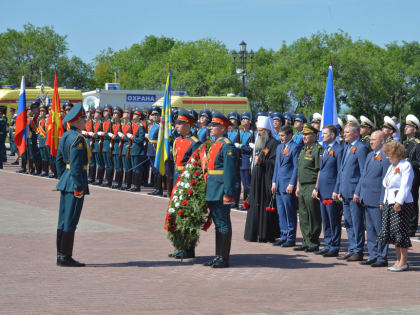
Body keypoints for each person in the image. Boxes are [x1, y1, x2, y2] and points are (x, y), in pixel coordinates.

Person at [55, 102, 89, 267]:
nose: (85, 121)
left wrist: (63, 179)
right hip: (75, 182)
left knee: (63, 219)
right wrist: (77, 186)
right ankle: (65, 257)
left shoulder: (65, 136)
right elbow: (76, 166)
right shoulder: (78, 139)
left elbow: (59, 160)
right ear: (76, 120)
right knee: (70, 220)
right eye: (83, 118)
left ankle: (60, 254)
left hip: (66, 181)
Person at [203, 111, 237, 268]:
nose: (211, 128)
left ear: (223, 128)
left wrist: (228, 194)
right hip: (213, 188)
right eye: (211, 125)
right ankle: (218, 256)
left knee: (223, 224)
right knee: (218, 223)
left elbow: (229, 172)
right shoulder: (216, 144)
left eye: (214, 126)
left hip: (221, 189)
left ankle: (224, 258)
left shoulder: (227, 145)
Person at [354, 131, 390, 267]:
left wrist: (382, 200)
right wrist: (358, 193)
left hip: (377, 200)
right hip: (366, 199)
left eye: (374, 139)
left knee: (380, 230)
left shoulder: (386, 157)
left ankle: (382, 257)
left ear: (382, 141)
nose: (371, 141)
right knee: (369, 230)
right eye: (371, 139)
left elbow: (385, 181)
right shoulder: (370, 155)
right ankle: (373, 255)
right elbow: (363, 176)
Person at [169, 109, 201, 259]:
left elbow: (196, 165)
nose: (176, 126)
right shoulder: (177, 141)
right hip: (177, 178)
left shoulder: (195, 143)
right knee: (176, 214)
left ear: (188, 125)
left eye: (180, 123)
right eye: (176, 123)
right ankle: (179, 246)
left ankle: (188, 248)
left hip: (187, 181)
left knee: (187, 215)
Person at [334, 122, 368, 261]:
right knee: (348, 222)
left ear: (355, 133)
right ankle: (352, 248)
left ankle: (358, 250)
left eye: (347, 132)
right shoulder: (347, 146)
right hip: (345, 191)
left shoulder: (361, 148)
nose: (344, 134)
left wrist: (358, 192)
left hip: (354, 192)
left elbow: (363, 172)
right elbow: (341, 171)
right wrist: (338, 189)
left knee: (356, 222)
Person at [378, 141, 415, 272]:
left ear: (397, 153)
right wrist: (384, 202)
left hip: (401, 204)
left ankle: (403, 262)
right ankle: (398, 259)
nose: (387, 157)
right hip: (390, 202)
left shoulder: (406, 165)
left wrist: (399, 202)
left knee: (400, 232)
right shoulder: (392, 166)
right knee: (393, 233)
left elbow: (406, 185)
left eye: (389, 154)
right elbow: (387, 185)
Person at [244, 116, 280, 243]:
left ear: (268, 131)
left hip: (266, 180)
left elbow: (275, 162)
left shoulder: (274, 143)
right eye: (258, 130)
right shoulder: (259, 143)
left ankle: (265, 234)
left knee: (265, 205)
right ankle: (254, 232)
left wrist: (262, 161)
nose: (258, 133)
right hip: (257, 179)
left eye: (261, 131)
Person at [314, 124, 343, 257]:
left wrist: (336, 189)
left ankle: (334, 246)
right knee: (325, 219)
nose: (322, 135)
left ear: (332, 135)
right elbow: (322, 170)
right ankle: (328, 243)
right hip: (323, 191)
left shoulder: (338, 149)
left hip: (331, 191)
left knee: (333, 220)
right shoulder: (325, 149)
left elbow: (339, 172)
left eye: (325, 133)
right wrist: (317, 187)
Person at [294, 123, 322, 252]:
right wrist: (298, 186)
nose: (304, 136)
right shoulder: (303, 149)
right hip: (303, 186)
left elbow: (319, 170)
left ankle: (313, 242)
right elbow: (300, 169)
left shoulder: (318, 149)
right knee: (304, 215)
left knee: (313, 215)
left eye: (307, 134)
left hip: (311, 185)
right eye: (303, 134)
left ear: (315, 135)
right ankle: (306, 241)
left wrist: (316, 187)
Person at [272, 125, 300, 247]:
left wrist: (292, 183)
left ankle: (291, 237)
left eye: (283, 135)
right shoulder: (279, 147)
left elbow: (296, 167)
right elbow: (277, 166)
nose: (281, 137)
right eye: (280, 135)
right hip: (278, 184)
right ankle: (283, 235)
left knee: (289, 211)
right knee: (281, 211)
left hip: (288, 184)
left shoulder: (295, 147)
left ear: (290, 135)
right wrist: (274, 181)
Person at [403, 114, 420, 236]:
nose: (405, 128)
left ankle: (412, 227)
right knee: (403, 200)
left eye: (408, 126)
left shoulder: (417, 144)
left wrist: (408, 161)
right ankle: (405, 224)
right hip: (403, 176)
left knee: (412, 201)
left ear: (414, 129)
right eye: (405, 126)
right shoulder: (404, 143)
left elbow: (419, 162)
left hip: (413, 176)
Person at [237, 111, 254, 210]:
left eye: (245, 119)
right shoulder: (241, 132)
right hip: (240, 161)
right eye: (242, 119)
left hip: (247, 161)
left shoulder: (251, 134)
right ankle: (245, 203)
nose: (243, 121)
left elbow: (250, 149)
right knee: (244, 184)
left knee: (248, 185)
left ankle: (248, 203)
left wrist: (241, 146)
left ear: (250, 121)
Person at [100, 105, 114, 187]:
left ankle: (109, 181)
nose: (104, 112)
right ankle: (106, 180)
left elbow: (111, 133)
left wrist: (104, 134)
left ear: (109, 113)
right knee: (106, 163)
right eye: (104, 111)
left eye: (106, 111)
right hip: (104, 143)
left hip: (108, 142)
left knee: (109, 163)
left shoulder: (111, 122)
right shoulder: (104, 122)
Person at [37, 105, 49, 176]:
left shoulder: (47, 120)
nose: (41, 112)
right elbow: (38, 131)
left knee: (46, 156)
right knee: (42, 156)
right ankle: (43, 170)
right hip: (41, 139)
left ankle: (46, 171)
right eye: (41, 111)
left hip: (45, 139)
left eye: (43, 111)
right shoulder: (39, 120)